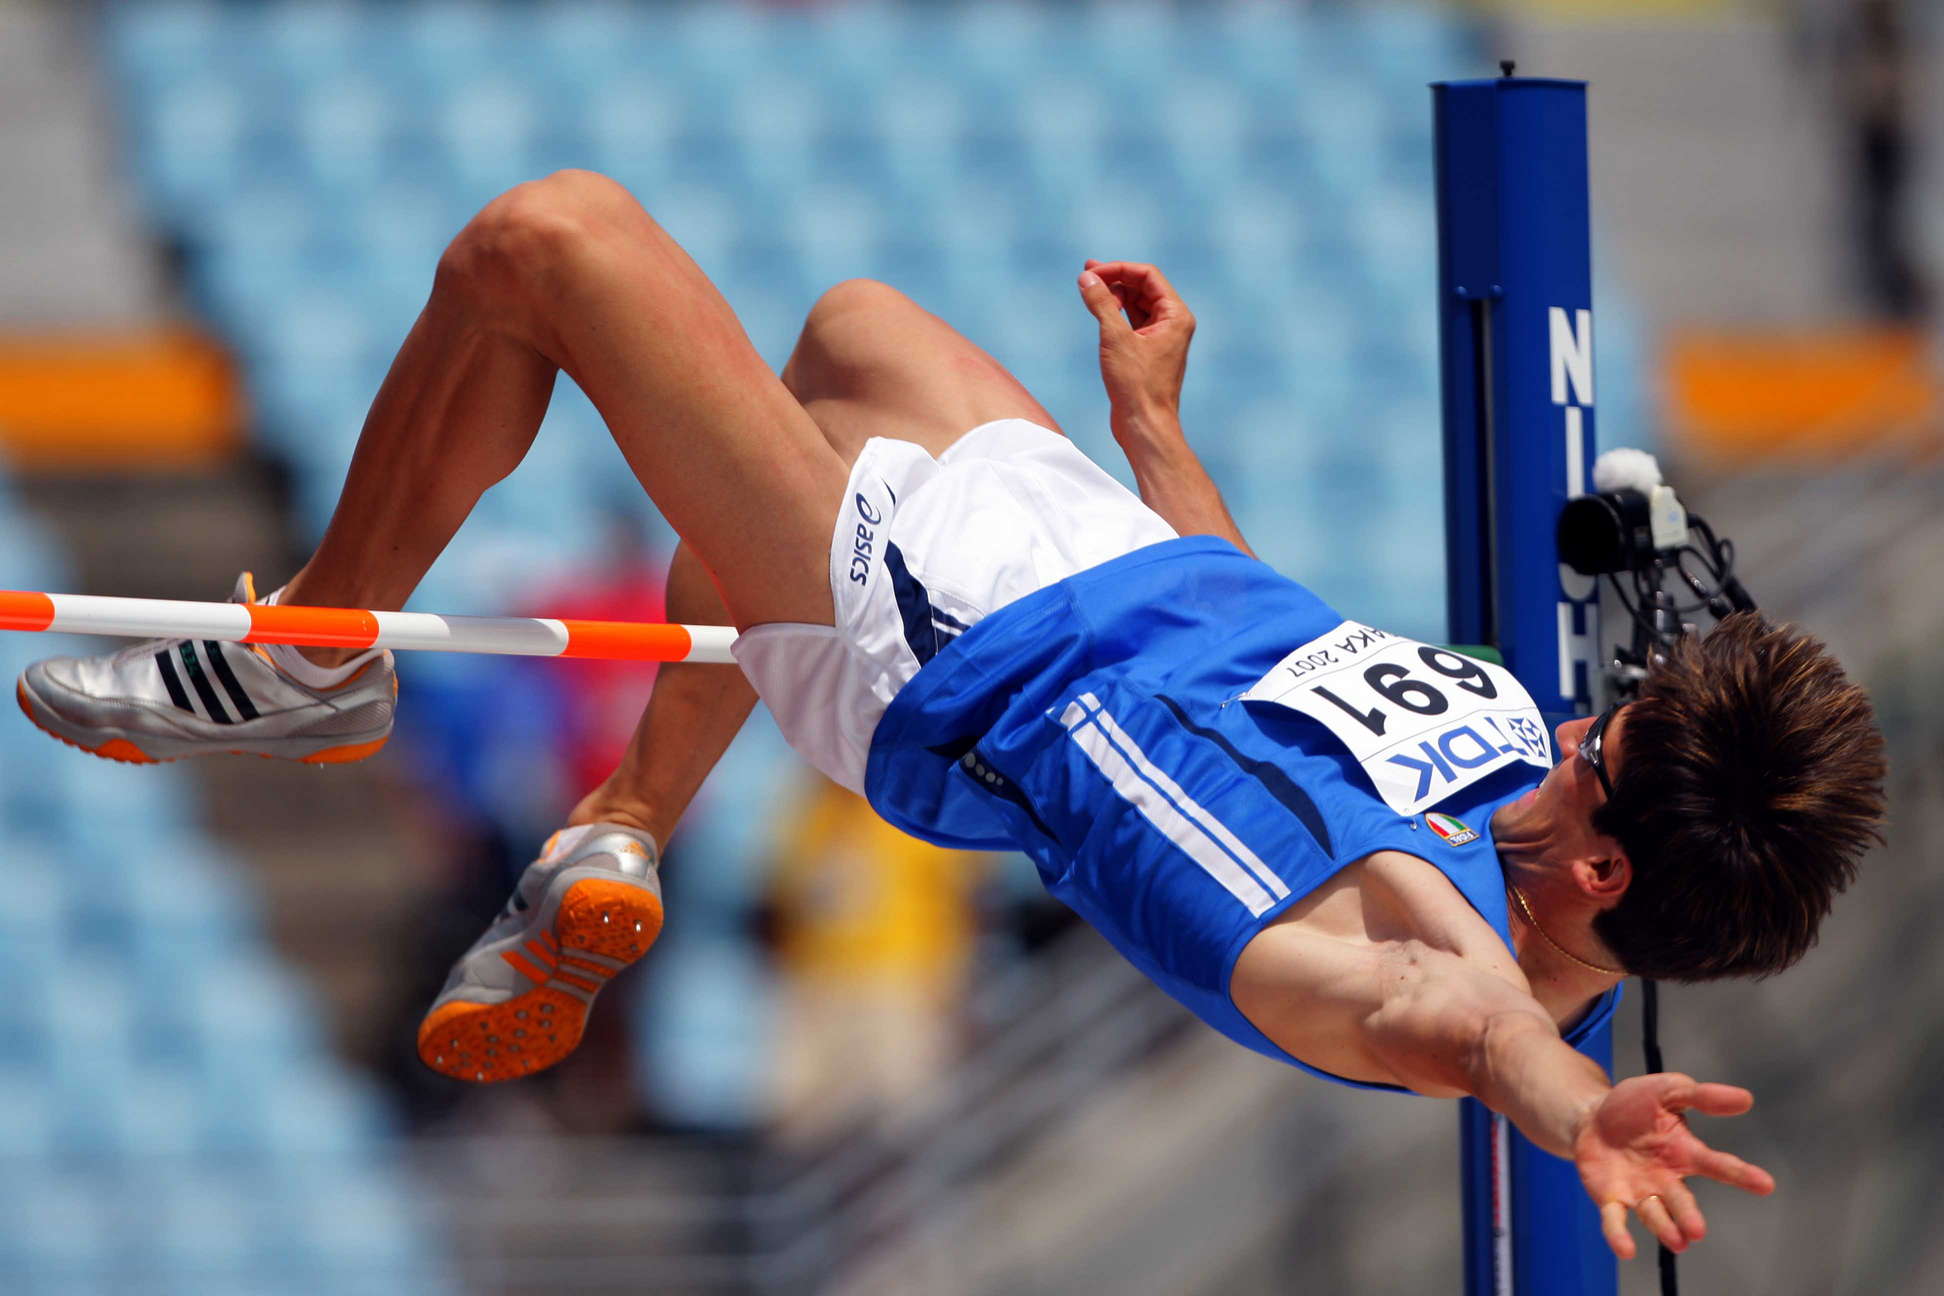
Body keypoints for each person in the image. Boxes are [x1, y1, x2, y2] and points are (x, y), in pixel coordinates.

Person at [15, 171, 1885, 1260]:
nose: (1567, 730)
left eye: (1592, 756)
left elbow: (1487, 1040)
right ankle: (620, 832)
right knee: (851, 329)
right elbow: (1272, 642)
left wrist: (1580, 1115)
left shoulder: (1428, 958)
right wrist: (1154, 431)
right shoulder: (1520, 792)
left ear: (1602, 868)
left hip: (950, 659)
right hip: (1101, 560)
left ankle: (309, 654)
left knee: (549, 244)